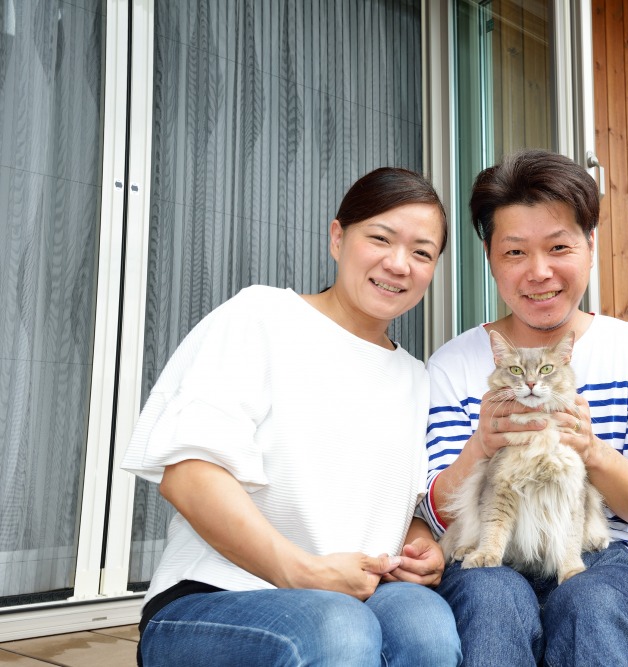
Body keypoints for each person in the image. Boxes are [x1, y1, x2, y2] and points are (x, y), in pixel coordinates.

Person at [122, 167, 462, 667]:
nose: (398, 264)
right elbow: (188, 477)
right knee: (338, 629)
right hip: (217, 596)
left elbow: (405, 505)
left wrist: (419, 548)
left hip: (359, 597)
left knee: (426, 625)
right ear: (337, 237)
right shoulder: (262, 317)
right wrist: (303, 572)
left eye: (421, 253)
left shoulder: (415, 377)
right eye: (380, 238)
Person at [418, 149, 628, 666]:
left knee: (591, 604)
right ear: (490, 257)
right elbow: (436, 511)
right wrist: (482, 445)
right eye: (516, 252)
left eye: (558, 246)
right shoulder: (454, 364)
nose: (539, 272)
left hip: (600, 553)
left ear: (590, 245)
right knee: (491, 599)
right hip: (493, 549)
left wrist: (592, 451)